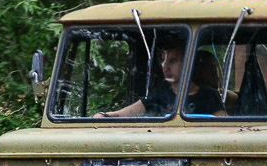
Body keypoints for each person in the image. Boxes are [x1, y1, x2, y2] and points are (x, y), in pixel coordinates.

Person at [94, 42, 223, 118]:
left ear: (188, 63)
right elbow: (125, 113)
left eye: (173, 61)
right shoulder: (159, 93)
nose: (165, 67)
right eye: (163, 60)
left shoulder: (210, 96)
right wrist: (105, 116)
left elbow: (223, 127)